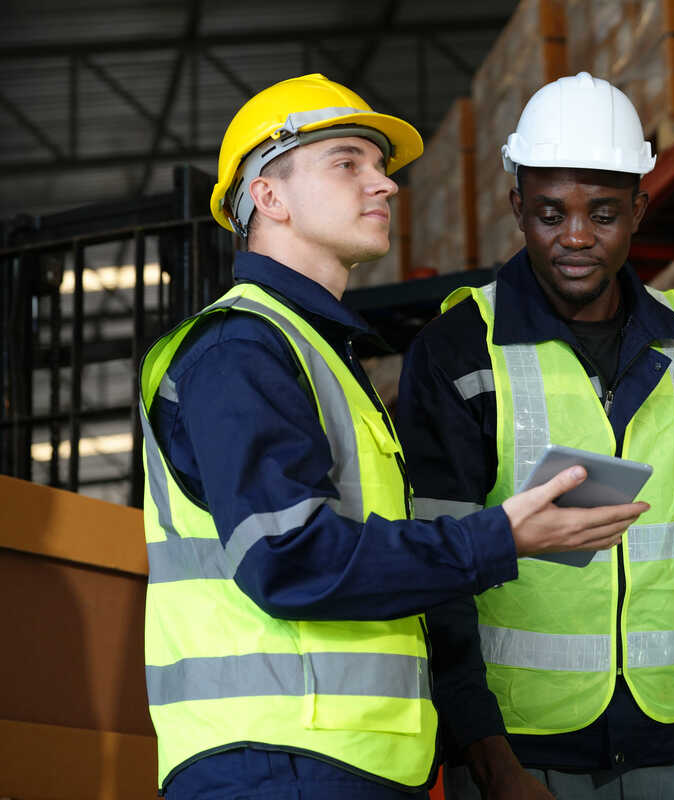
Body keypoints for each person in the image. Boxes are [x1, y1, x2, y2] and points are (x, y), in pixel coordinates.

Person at [137, 73, 648, 800]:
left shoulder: (321, 355)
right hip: (277, 767)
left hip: (346, 764)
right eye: (348, 162)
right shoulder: (240, 351)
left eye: (380, 166)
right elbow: (288, 559)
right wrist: (498, 536)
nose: (385, 185)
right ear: (268, 197)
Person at [395, 72, 674, 800]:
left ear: (640, 208)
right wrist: (488, 758)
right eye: (551, 213)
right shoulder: (461, 353)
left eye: (604, 213)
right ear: (517, 206)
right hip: (521, 756)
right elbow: (437, 579)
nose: (576, 237)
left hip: (672, 744)